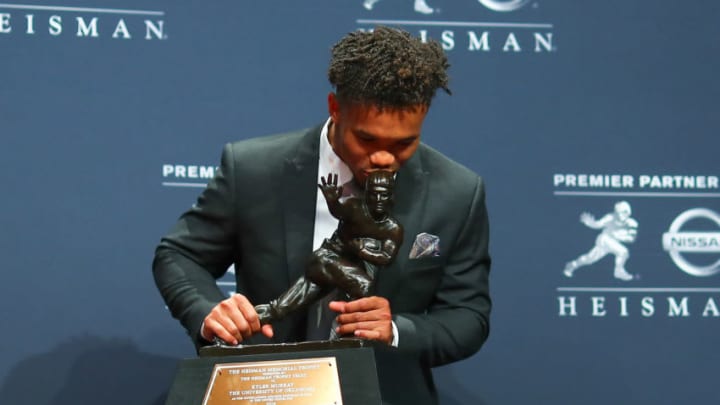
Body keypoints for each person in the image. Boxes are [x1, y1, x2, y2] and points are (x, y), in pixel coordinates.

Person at [153, 26, 491, 404]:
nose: (383, 158)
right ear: (334, 108)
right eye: (366, 139)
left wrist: (395, 330)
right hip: (262, 391)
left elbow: (467, 317)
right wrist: (209, 312)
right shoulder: (254, 169)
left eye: (403, 144)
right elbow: (179, 255)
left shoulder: (457, 192)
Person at [255, 170, 404, 325]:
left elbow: (386, 257)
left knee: (300, 294)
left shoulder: (393, 228)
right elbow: (339, 211)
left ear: (392, 196)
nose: (378, 199)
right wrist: (333, 202)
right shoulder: (355, 208)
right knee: (363, 285)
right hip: (326, 258)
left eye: (384, 195)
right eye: (374, 194)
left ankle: (264, 315)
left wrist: (362, 251)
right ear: (366, 194)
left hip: (343, 267)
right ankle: (352, 333)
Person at [563, 201, 638, 281]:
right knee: (623, 252)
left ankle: (572, 265)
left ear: (628, 212)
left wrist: (618, 236)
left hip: (612, 243)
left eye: (624, 212)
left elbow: (631, 239)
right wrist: (589, 223)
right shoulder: (610, 217)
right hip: (604, 239)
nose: (620, 215)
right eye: (618, 212)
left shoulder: (632, 223)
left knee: (590, 259)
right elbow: (598, 225)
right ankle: (618, 271)